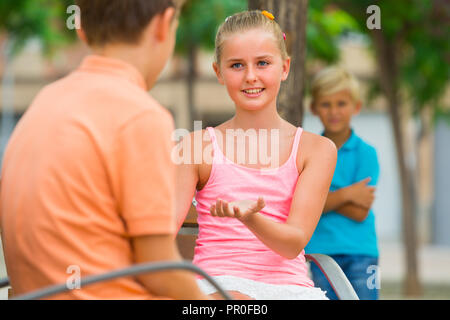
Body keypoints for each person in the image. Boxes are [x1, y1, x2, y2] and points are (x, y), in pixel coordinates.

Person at [0, 0, 209, 300]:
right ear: (163, 24)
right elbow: (159, 271)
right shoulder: (140, 116)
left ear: (82, 29)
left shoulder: (42, 104)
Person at [175, 10, 337, 300]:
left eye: (263, 63)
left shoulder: (317, 150)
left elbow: (293, 244)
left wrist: (251, 218)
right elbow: (159, 234)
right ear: (219, 72)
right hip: (214, 288)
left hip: (287, 290)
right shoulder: (195, 147)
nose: (251, 76)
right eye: (237, 65)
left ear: (285, 67)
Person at [305, 66, 380, 300]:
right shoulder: (309, 152)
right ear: (314, 108)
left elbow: (360, 212)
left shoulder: (366, 153)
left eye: (341, 103)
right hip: (321, 252)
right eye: (326, 104)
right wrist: (349, 193)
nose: (334, 111)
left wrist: (325, 197)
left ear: (356, 107)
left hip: (362, 253)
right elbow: (307, 204)